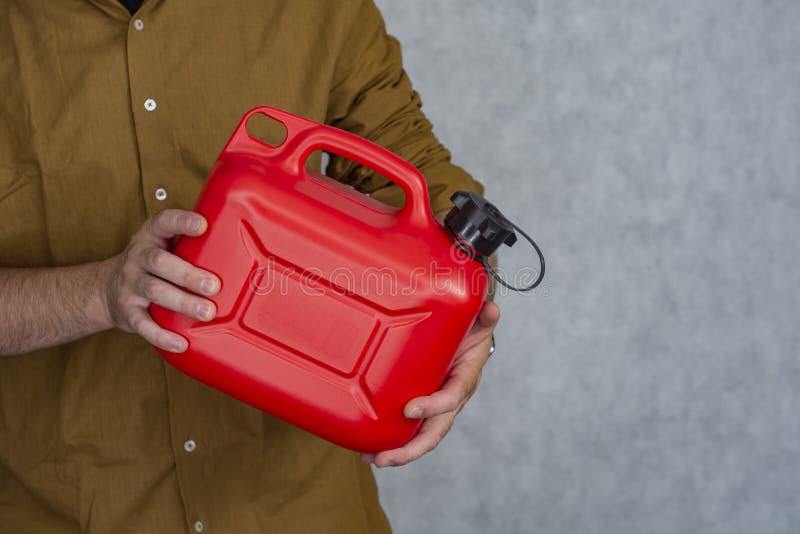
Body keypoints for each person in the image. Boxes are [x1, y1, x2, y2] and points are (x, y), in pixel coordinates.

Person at [0, 0, 500, 532]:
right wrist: (99, 293)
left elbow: (428, 179)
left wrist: (467, 309)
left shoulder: (318, 10)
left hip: (304, 512)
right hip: (67, 514)